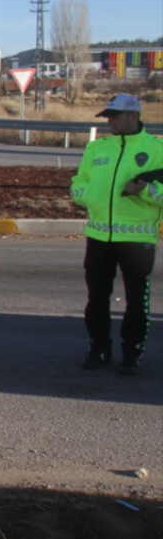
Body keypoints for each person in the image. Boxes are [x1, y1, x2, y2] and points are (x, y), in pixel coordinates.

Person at [70, 94, 163, 375]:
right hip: (99, 236)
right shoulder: (97, 147)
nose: (108, 120)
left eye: (114, 116)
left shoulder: (157, 149)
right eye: (107, 116)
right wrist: (85, 196)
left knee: (136, 300)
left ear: (133, 116)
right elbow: (80, 180)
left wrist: (145, 190)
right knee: (97, 296)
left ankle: (132, 352)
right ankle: (98, 347)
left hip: (137, 240)